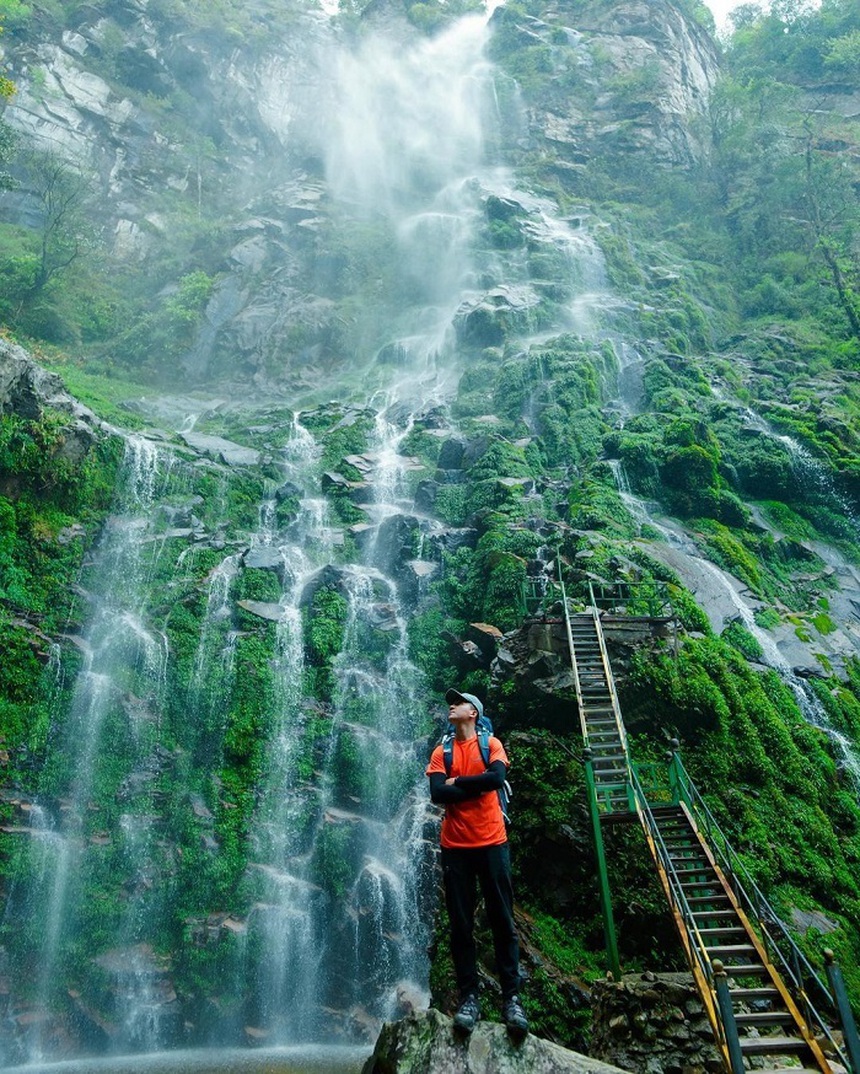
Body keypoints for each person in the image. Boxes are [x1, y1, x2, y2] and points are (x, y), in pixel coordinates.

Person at [425, 687, 528, 1036]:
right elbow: (438, 793)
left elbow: (497, 779)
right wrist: (476, 785)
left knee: (502, 921)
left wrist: (460, 783)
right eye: (450, 701)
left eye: (460, 701)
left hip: (492, 843)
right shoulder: (442, 751)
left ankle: (512, 999)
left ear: (474, 713)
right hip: (455, 847)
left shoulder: (491, 745)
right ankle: (469, 998)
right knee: (461, 926)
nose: (452, 704)